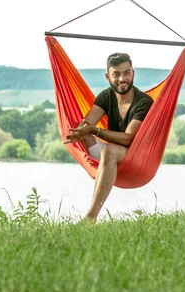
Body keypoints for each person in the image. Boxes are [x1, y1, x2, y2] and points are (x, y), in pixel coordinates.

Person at [65, 52, 153, 222]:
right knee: (86, 135)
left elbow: (129, 138)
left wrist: (96, 131)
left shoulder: (144, 102)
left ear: (133, 73)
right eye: (116, 74)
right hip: (109, 158)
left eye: (127, 73)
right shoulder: (106, 96)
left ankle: (90, 217)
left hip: (135, 160)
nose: (122, 79)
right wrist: (77, 132)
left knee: (109, 150)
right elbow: (87, 123)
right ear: (108, 77)